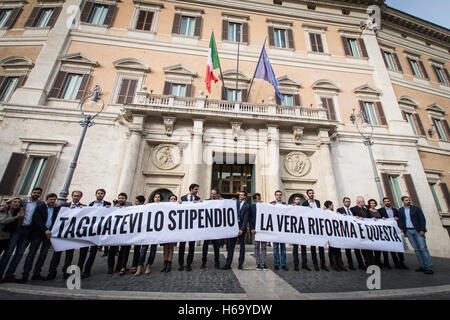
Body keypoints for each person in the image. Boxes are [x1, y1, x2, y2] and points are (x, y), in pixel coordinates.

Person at [0, 187, 44, 282]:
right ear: (31, 193)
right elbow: (10, 205)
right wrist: (3, 207)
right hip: (18, 229)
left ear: (40, 195)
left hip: (28, 230)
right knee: (8, 252)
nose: (36, 194)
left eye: (38, 193)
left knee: (19, 253)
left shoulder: (40, 204)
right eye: (35, 192)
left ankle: (10, 274)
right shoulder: (22, 202)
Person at [46, 190, 85, 280]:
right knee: (56, 254)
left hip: (72, 234)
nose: (76, 197)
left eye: (78, 196)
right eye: (75, 196)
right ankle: (52, 272)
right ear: (72, 196)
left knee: (69, 255)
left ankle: (66, 272)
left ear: (80, 197)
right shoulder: (63, 206)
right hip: (61, 234)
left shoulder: (83, 207)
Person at [21, 193, 60, 282]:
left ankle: (36, 273)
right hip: (39, 233)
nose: (53, 201)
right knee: (32, 254)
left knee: (43, 254)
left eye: (54, 199)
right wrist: (45, 230)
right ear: (47, 199)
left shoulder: (57, 209)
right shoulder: (40, 207)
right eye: (51, 199)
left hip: (49, 234)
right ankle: (25, 274)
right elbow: (37, 220)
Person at [79, 188, 111, 278]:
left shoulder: (107, 205)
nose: (100, 195)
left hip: (97, 232)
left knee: (92, 253)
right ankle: (79, 269)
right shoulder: (90, 205)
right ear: (96, 194)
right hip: (88, 232)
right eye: (98, 193)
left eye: (101, 193)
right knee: (82, 253)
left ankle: (87, 270)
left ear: (104, 195)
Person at [398, 196, 433, 274]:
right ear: (403, 201)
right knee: (416, 249)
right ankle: (422, 266)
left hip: (417, 230)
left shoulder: (416, 208)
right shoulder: (400, 210)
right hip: (408, 231)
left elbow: (422, 219)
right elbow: (400, 220)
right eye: (406, 200)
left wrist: (422, 229)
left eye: (409, 200)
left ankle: (429, 267)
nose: (408, 201)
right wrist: (402, 229)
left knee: (423, 248)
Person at [378, 197, 409, 269]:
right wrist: (381, 219)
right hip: (387, 231)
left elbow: (400, 219)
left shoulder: (395, 210)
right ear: (383, 203)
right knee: (392, 247)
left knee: (399, 246)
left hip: (396, 230)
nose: (387, 202)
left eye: (388, 201)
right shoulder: (380, 210)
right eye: (385, 201)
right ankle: (396, 263)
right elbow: (378, 219)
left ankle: (402, 262)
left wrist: (400, 225)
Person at [302, 189, 328, 271]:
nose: (311, 194)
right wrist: (306, 209)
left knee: (321, 247)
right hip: (310, 227)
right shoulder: (305, 203)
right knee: (313, 247)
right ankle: (315, 264)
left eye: (312, 193)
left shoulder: (318, 202)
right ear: (307, 195)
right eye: (310, 193)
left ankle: (323, 264)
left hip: (318, 226)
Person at [135, 193, 160, 276]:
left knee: (153, 250)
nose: (157, 198)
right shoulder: (148, 206)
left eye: (159, 197)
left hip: (156, 231)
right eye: (155, 197)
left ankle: (149, 265)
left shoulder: (163, 206)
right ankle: (140, 266)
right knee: (143, 250)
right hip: (147, 231)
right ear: (153, 198)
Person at [222, 191, 249, 270]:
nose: (240, 196)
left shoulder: (247, 206)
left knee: (242, 247)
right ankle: (228, 263)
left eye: (241, 195)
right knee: (231, 246)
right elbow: (226, 203)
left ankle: (240, 263)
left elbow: (246, 219)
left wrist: (242, 229)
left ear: (245, 197)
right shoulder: (235, 202)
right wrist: (221, 199)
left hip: (241, 229)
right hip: (233, 228)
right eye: (239, 195)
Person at [178, 183, 200, 271]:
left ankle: (189, 264)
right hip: (184, 226)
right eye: (196, 189)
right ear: (191, 189)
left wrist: (199, 204)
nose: (197, 191)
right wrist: (178, 203)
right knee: (182, 246)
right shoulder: (182, 198)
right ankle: (180, 263)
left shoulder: (198, 199)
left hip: (193, 226)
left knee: (191, 246)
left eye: (197, 189)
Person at [108, 192, 131, 275]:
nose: (121, 199)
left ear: (126, 199)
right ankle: (110, 267)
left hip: (126, 231)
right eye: (120, 198)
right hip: (115, 231)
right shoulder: (114, 208)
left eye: (123, 198)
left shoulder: (130, 207)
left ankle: (121, 266)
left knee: (124, 250)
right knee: (112, 250)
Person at [336, 197, 361, 270]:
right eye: (346, 202)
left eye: (349, 202)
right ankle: (350, 264)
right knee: (348, 250)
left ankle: (360, 263)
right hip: (346, 231)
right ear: (343, 202)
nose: (348, 203)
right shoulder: (340, 210)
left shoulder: (352, 210)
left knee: (357, 249)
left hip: (354, 231)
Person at [350, 196, 375, 268]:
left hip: (367, 230)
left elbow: (369, 216)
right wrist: (357, 218)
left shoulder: (366, 209)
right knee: (363, 248)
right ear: (358, 202)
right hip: (359, 231)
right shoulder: (353, 209)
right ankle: (366, 262)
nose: (364, 203)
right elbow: (351, 218)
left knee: (369, 247)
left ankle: (372, 262)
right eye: (363, 201)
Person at [324, 201, 347, 272]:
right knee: (333, 250)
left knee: (337, 249)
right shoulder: (325, 213)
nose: (333, 206)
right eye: (332, 205)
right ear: (329, 206)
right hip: (330, 233)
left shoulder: (335, 213)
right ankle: (334, 264)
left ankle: (340, 263)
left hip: (336, 233)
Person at [201, 188, 221, 269]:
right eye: (212, 193)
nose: (212, 195)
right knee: (205, 246)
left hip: (215, 228)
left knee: (216, 247)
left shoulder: (220, 201)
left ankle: (217, 262)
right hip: (207, 228)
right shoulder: (206, 201)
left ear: (217, 194)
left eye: (214, 194)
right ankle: (203, 262)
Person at [291, 195, 311, 271]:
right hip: (295, 231)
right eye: (297, 199)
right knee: (295, 249)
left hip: (302, 231)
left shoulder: (303, 208)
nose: (298, 200)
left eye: (299, 199)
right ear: (294, 201)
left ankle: (304, 264)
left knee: (303, 248)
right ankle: (296, 264)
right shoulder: (291, 208)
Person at [250, 193, 268, 271]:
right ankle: (258, 263)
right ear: (254, 200)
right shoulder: (252, 207)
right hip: (255, 230)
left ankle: (263, 263)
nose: (260, 199)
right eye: (258, 198)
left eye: (260, 198)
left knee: (264, 247)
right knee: (256, 247)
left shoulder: (265, 206)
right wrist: (252, 228)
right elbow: (250, 219)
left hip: (263, 230)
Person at [271, 190, 288, 271]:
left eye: (280, 195)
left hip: (283, 229)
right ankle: (276, 263)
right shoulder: (271, 204)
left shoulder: (285, 204)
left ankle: (284, 264)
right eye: (277, 195)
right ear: (275, 196)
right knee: (275, 247)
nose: (279, 196)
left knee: (283, 247)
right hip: (275, 228)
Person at [160, 194, 178, 273]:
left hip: (173, 230)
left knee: (171, 247)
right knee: (165, 247)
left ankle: (169, 264)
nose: (173, 200)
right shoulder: (164, 207)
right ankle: (165, 263)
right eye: (171, 199)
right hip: (165, 229)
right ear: (168, 200)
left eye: (174, 199)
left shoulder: (178, 207)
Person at [130, 195, 146, 274]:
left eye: (136, 201)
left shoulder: (146, 208)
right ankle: (134, 265)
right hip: (135, 231)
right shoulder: (132, 208)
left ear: (141, 202)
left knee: (142, 249)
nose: (135, 203)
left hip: (144, 231)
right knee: (136, 248)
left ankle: (139, 265)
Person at [367, 199, 384, 268]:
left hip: (379, 230)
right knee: (372, 246)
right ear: (369, 204)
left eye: (374, 203)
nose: (373, 204)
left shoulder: (379, 211)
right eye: (371, 203)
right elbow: (366, 219)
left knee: (378, 247)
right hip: (372, 230)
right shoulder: (368, 211)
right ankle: (373, 261)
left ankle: (378, 260)